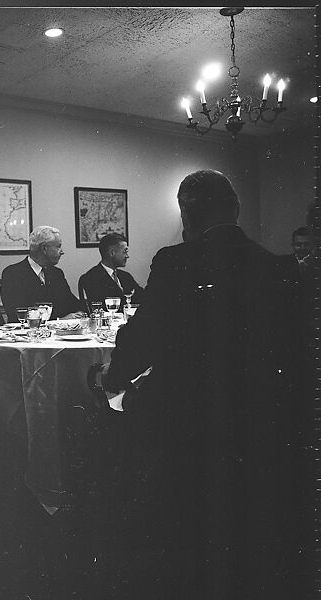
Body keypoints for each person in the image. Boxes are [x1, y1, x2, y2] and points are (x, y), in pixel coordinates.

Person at [96, 170, 309, 598]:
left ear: (187, 214)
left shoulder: (174, 261)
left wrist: (111, 380)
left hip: (186, 420)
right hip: (259, 421)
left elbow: (142, 339)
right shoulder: (277, 266)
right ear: (236, 210)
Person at [0, 225, 84, 322]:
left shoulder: (56, 274)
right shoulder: (13, 274)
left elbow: (75, 304)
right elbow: (19, 315)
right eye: (58, 247)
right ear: (44, 248)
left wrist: (80, 313)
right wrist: (59, 320)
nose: (62, 252)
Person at [79, 233, 144, 310]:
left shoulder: (126, 276)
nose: (127, 256)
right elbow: (99, 309)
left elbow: (143, 298)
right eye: (124, 251)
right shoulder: (90, 278)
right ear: (112, 253)